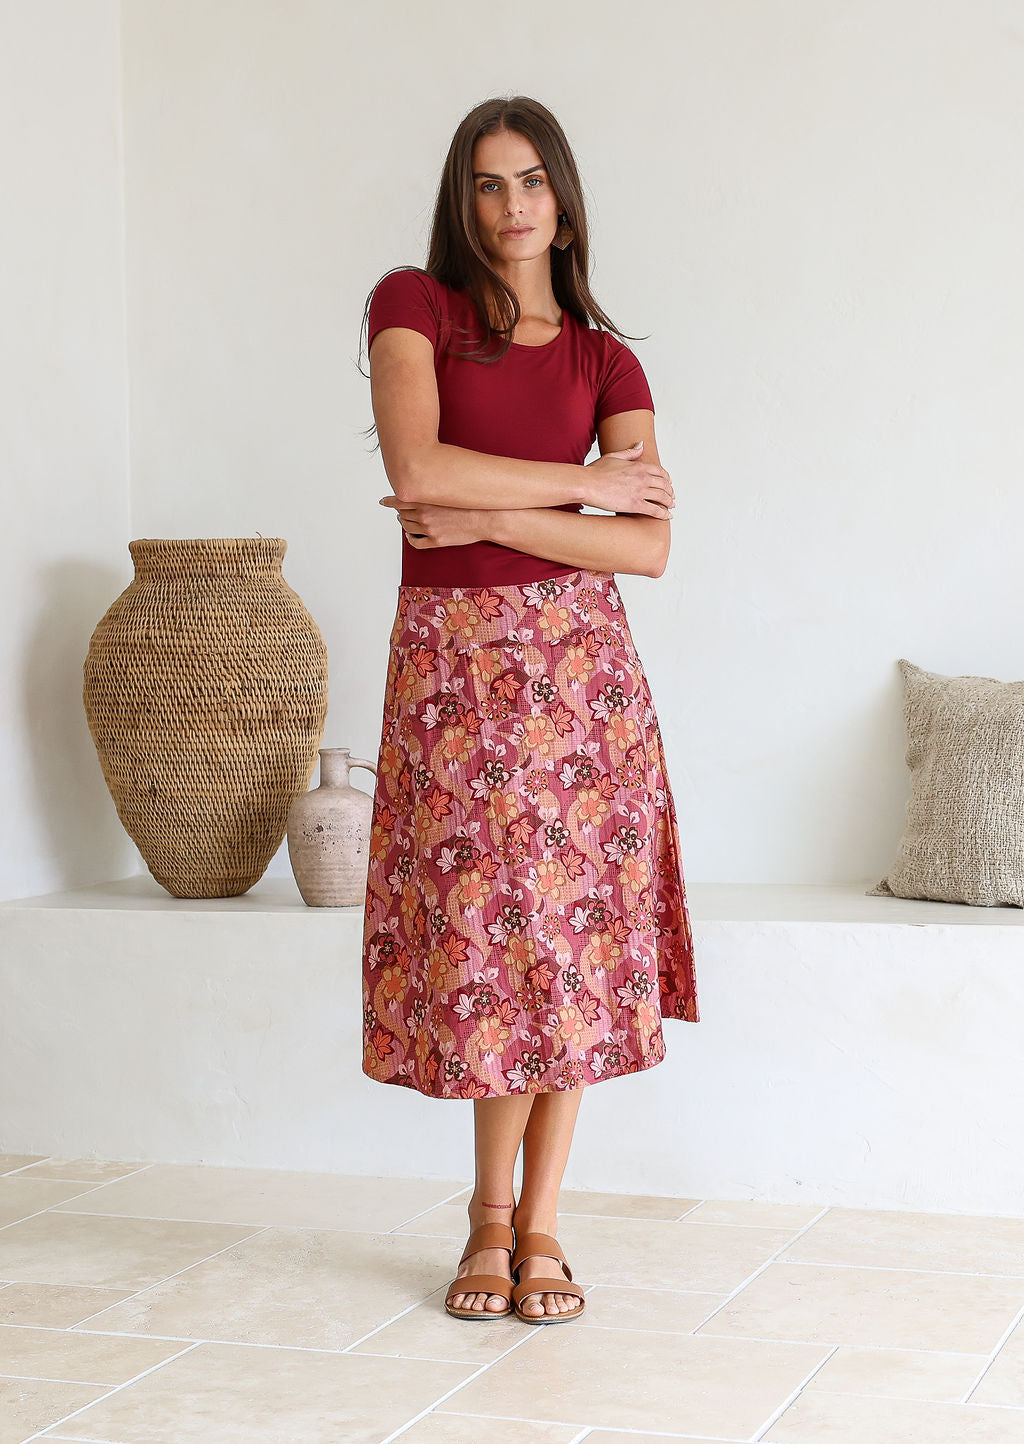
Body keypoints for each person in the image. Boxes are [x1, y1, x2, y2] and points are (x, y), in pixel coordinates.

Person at [358, 96, 699, 1326]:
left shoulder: (608, 360)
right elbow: (417, 472)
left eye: (532, 181)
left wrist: (493, 512)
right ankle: (485, 1214)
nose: (512, 205)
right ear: (464, 201)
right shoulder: (414, 306)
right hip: (454, 672)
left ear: (563, 200)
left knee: (573, 941)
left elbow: (647, 544)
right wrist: (575, 490)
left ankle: (534, 1223)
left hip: (581, 675)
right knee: (492, 940)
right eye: (489, 183)